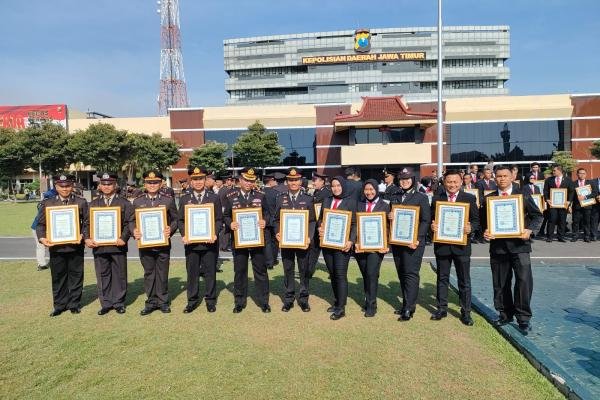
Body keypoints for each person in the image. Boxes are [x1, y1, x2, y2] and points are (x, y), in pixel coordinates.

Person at [482, 165, 543, 333]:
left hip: (520, 247)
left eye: (505, 176)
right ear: (495, 178)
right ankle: (504, 314)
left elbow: (537, 216)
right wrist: (485, 232)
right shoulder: (489, 198)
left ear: (512, 177)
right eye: (499, 176)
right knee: (501, 282)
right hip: (498, 248)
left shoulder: (522, 194)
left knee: (523, 282)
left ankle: (523, 318)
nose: (501, 179)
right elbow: (482, 222)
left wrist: (530, 230)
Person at [430, 170, 479, 326]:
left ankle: (466, 312)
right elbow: (432, 218)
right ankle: (441, 309)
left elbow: (477, 221)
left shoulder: (470, 198)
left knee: (464, 280)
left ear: (461, 182)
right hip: (442, 245)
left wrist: (471, 228)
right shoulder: (437, 199)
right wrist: (433, 226)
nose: (452, 185)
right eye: (449, 182)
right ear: (444, 182)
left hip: (462, 246)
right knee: (442, 278)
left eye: (455, 182)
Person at [36, 174, 88, 317]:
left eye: (68, 186)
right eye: (62, 186)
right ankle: (59, 305)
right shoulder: (48, 203)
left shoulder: (81, 202)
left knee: (76, 276)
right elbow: (40, 224)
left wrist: (83, 235)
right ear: (56, 187)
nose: (65, 189)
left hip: (75, 246)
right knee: (58, 276)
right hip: (56, 247)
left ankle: (74, 304)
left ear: (72, 186)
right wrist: (42, 238)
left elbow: (87, 223)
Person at [222, 167, 271, 313]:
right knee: (240, 272)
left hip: (257, 240)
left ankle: (264, 302)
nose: (249, 183)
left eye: (252, 180)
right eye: (246, 180)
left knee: (260, 271)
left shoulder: (260, 195)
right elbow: (225, 215)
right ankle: (239, 302)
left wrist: (264, 221)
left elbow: (268, 213)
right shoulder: (230, 195)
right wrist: (230, 223)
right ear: (240, 180)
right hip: (238, 241)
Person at [84, 173, 134, 315]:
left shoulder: (124, 203)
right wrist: (87, 238)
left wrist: (124, 238)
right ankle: (106, 303)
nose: (106, 187)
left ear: (115, 185)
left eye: (110, 184)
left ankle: (118, 302)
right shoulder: (93, 204)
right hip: (99, 246)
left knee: (119, 274)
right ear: (100, 185)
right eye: (104, 184)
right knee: (102, 274)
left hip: (118, 245)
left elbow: (129, 223)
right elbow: (86, 224)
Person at [132, 170, 179, 315]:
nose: (152, 185)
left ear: (161, 183)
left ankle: (163, 302)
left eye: (155, 182)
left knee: (162, 273)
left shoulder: (168, 200)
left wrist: (169, 230)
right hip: (145, 245)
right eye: (149, 182)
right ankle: (151, 302)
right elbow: (131, 221)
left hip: (163, 243)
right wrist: (134, 230)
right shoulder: (138, 201)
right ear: (144, 184)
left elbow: (176, 219)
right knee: (149, 273)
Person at [178, 166, 222, 313]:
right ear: (191, 181)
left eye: (200, 179)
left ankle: (210, 300)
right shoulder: (184, 199)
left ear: (205, 180)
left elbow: (218, 219)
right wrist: (184, 235)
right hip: (191, 244)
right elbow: (180, 220)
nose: (198, 182)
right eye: (195, 179)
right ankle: (192, 301)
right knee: (192, 273)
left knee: (210, 272)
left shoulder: (214, 197)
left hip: (209, 243)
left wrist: (215, 233)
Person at [388, 168, 431, 321]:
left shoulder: (421, 197)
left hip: (414, 243)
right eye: (401, 179)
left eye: (407, 179)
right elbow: (389, 218)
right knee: (401, 273)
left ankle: (409, 308)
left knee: (410, 274)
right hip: (398, 241)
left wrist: (418, 238)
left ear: (413, 180)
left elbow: (426, 220)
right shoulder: (395, 196)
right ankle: (407, 304)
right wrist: (390, 216)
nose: (404, 181)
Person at [273, 168, 316, 312]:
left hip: (303, 241)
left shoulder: (308, 199)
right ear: (287, 181)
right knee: (288, 269)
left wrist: (309, 236)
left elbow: (312, 221)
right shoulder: (280, 198)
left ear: (300, 181)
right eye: (291, 180)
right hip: (286, 242)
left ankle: (303, 299)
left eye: (296, 180)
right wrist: (277, 232)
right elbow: (276, 219)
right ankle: (289, 299)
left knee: (304, 270)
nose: (293, 182)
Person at [318, 176, 356, 320]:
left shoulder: (350, 202)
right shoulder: (327, 200)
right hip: (328, 244)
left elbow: (354, 224)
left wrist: (351, 241)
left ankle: (341, 308)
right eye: (333, 186)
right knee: (333, 274)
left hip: (342, 246)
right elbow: (321, 218)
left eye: (338, 185)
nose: (335, 188)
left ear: (343, 186)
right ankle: (336, 302)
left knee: (340, 275)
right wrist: (320, 227)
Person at [355, 179, 390, 317]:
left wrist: (386, 245)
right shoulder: (359, 204)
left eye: (371, 189)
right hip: (361, 247)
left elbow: (388, 227)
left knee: (371, 274)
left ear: (376, 189)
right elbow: (354, 225)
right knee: (366, 274)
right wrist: (355, 241)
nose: (369, 192)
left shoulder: (385, 206)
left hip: (377, 248)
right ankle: (367, 299)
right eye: (366, 190)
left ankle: (371, 305)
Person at [306, 172, 330, 278]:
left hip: (323, 226)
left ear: (322, 181)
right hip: (316, 226)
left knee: (327, 252)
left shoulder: (326, 193)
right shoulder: (316, 191)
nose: (313, 182)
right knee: (314, 249)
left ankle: (333, 271)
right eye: (313, 180)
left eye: (315, 180)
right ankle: (309, 271)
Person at [543, 165, 573, 242]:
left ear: (560, 171)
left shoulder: (568, 180)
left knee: (562, 220)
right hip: (552, 204)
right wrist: (547, 199)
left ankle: (561, 237)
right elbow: (545, 191)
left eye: (554, 171)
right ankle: (550, 237)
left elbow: (571, 191)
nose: (553, 172)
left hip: (563, 204)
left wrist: (569, 201)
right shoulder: (549, 180)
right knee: (552, 219)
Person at [31, 187, 57, 271]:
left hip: (49, 227)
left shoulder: (43, 202)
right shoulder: (46, 203)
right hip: (38, 227)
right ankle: (41, 264)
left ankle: (53, 262)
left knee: (52, 245)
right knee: (41, 246)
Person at [571, 167, 597, 242]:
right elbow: (571, 195)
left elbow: (595, 193)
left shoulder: (591, 183)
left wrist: (585, 197)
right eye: (580, 173)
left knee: (587, 221)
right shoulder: (573, 183)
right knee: (575, 221)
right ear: (577, 174)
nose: (581, 175)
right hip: (576, 206)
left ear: (586, 174)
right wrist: (569, 205)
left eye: (583, 173)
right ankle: (575, 236)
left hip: (587, 205)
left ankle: (587, 236)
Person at [262, 173, 279, 270]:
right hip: (275, 220)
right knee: (275, 241)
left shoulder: (260, 192)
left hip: (265, 220)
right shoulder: (276, 193)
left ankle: (269, 262)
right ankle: (274, 259)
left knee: (267, 241)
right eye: (274, 180)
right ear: (271, 181)